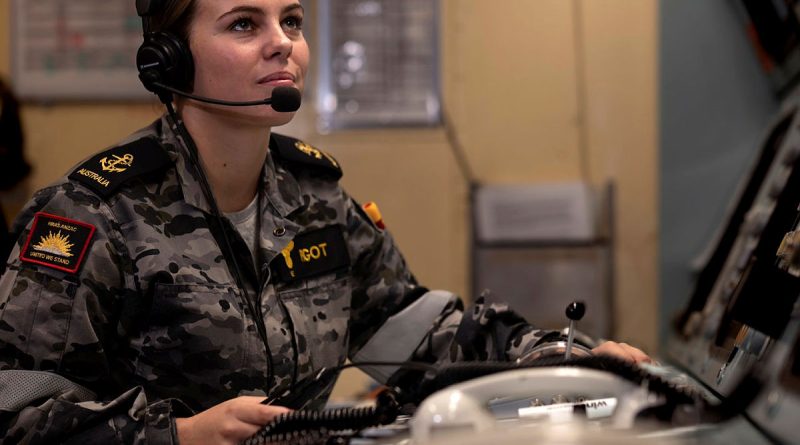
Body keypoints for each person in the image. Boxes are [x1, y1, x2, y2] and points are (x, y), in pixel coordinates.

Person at [0, 1, 650, 444]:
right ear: (169, 60)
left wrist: (565, 360)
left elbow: (424, 334)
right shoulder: (91, 214)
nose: (282, 42)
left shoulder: (315, 199)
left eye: (291, 20)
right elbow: (14, 414)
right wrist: (180, 435)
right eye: (244, 24)